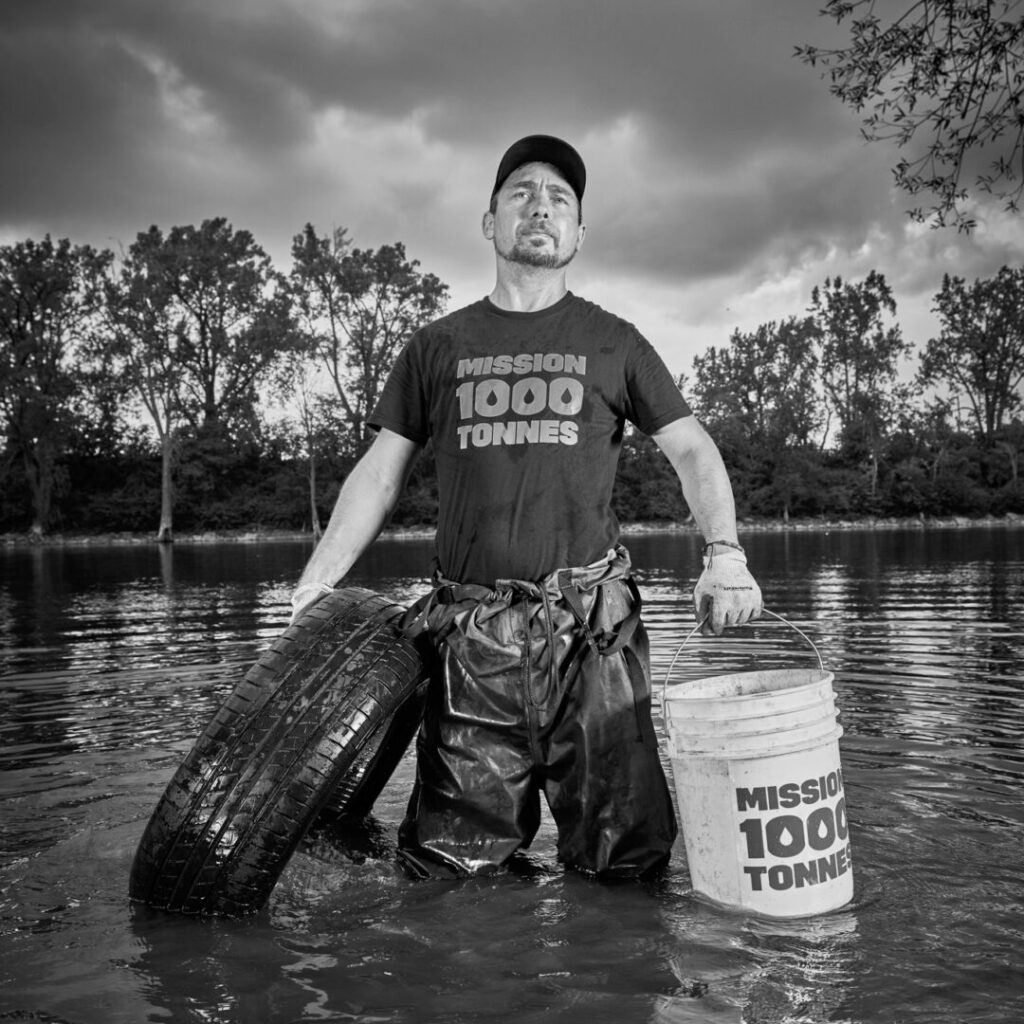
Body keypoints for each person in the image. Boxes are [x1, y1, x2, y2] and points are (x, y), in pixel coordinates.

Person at [289, 134, 762, 881]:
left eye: (559, 198)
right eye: (522, 193)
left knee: (625, 864)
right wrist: (315, 584)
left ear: (578, 233)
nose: (541, 206)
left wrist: (725, 554)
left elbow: (693, 451)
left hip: (594, 634)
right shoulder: (436, 346)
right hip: (470, 641)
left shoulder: (615, 342)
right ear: (490, 222)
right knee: (451, 877)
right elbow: (379, 473)